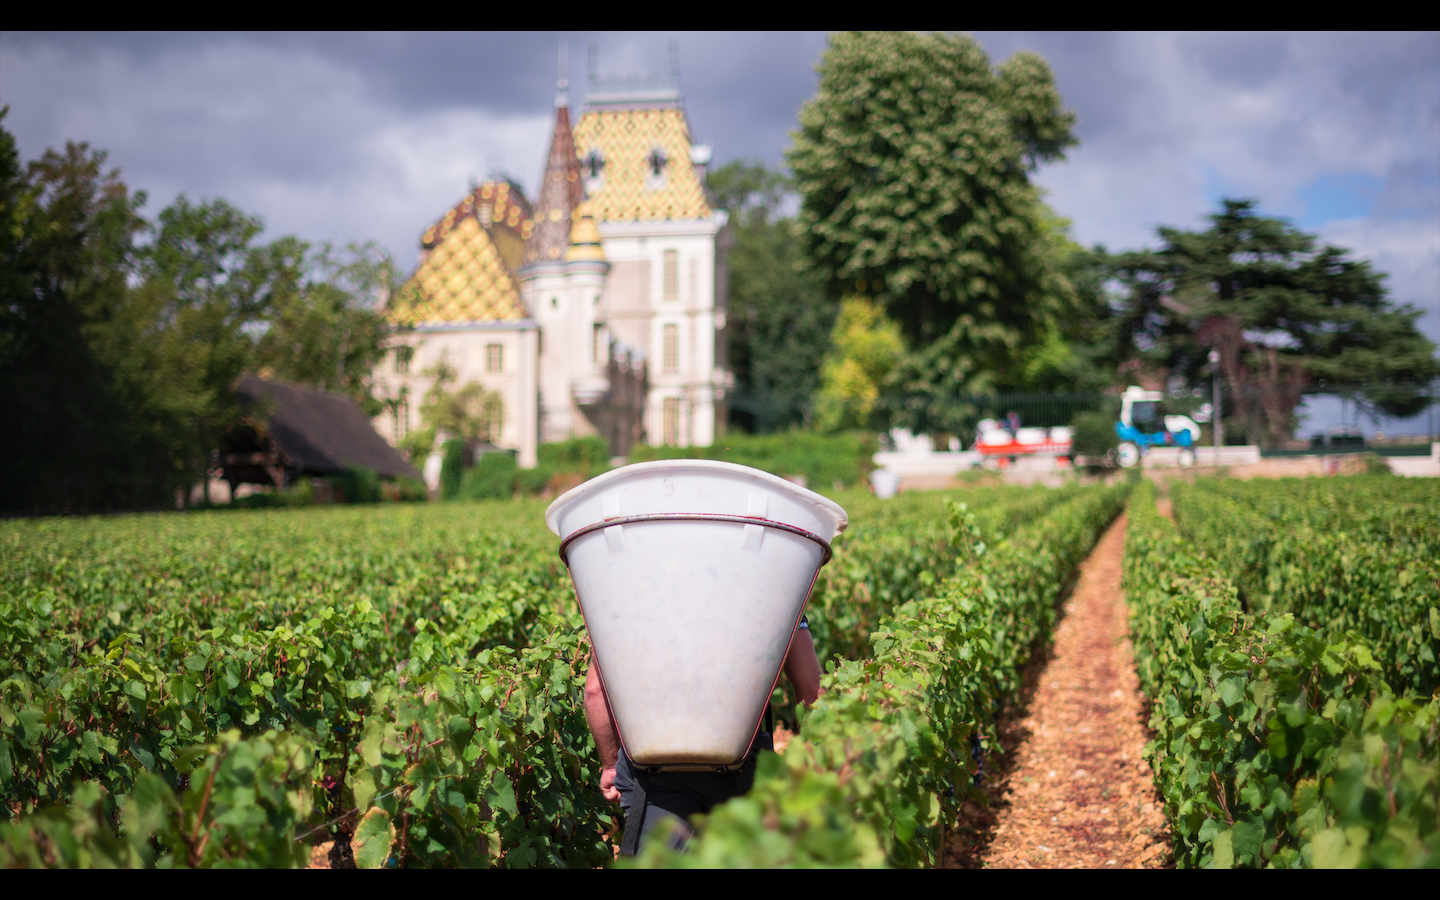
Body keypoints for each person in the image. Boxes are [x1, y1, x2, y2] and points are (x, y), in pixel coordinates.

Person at [583, 616, 822, 856]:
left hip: (653, 770)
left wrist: (611, 766)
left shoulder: (633, 597)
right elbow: (811, 691)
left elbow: (595, 692)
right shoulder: (770, 587)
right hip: (740, 767)